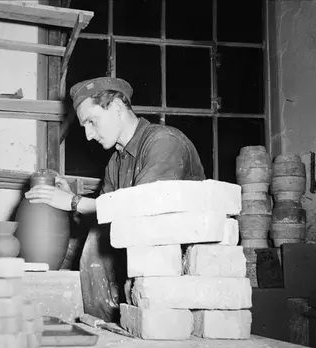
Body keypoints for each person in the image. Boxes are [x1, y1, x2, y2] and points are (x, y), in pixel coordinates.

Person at [24, 77, 206, 322]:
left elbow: (144, 208)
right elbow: (104, 211)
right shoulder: (116, 162)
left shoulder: (164, 141)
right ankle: (102, 324)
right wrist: (69, 198)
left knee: (97, 239)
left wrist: (74, 201)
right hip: (145, 269)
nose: (88, 135)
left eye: (92, 121)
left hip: (182, 270)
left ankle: (106, 321)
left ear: (118, 107)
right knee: (94, 237)